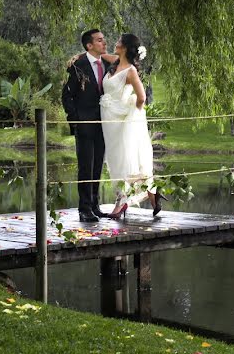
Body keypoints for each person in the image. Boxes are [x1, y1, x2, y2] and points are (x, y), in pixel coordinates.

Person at [98, 33, 166, 219]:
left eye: (119, 41)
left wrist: (132, 116)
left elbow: (141, 97)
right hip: (108, 121)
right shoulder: (114, 61)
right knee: (114, 159)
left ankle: (121, 202)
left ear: (126, 47)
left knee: (124, 160)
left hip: (121, 120)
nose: (115, 43)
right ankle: (152, 193)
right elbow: (97, 53)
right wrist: (80, 56)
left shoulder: (130, 71)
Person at [61, 29, 111, 222]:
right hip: (84, 124)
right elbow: (67, 96)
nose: (104, 43)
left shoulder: (106, 63)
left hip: (103, 123)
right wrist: (76, 121)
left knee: (98, 164)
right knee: (85, 167)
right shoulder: (77, 65)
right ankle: (84, 209)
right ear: (89, 45)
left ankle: (95, 205)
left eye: (104, 39)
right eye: (100, 40)